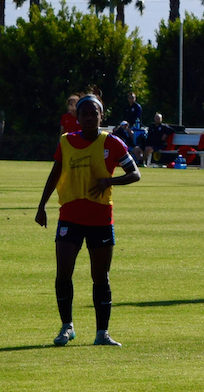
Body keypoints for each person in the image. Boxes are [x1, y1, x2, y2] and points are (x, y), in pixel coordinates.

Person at [35, 94, 141, 347]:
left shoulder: (113, 143)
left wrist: (109, 181)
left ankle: (102, 333)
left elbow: (134, 173)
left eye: (94, 113)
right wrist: (41, 206)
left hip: (100, 218)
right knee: (63, 273)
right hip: (70, 217)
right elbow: (55, 172)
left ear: (101, 116)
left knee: (100, 277)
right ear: (77, 117)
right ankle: (66, 327)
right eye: (85, 113)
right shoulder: (66, 142)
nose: (90, 117)